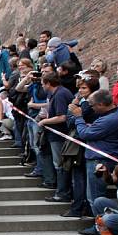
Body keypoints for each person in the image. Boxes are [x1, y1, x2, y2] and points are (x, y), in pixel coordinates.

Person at [38, 72, 75, 202]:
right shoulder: (58, 93)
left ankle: (62, 193)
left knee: (59, 164)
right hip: (55, 134)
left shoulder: (59, 94)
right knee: (58, 164)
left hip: (59, 135)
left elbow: (62, 117)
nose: (42, 86)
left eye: (43, 84)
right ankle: (62, 191)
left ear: (48, 83)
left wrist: (44, 121)